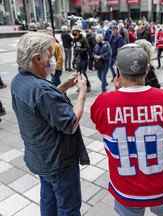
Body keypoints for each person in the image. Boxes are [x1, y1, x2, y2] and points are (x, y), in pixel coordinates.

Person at [91, 44, 163, 216]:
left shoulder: (102, 103)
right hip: (162, 186)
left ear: (118, 71)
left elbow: (103, 127)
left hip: (125, 187)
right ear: (148, 69)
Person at [11, 32, 90, 216]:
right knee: (68, 207)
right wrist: (82, 94)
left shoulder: (19, 81)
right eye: (49, 53)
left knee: (48, 199)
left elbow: (43, 106)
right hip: (58, 160)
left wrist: (64, 86)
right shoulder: (41, 90)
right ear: (37, 58)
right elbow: (70, 123)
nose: (52, 58)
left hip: (40, 158)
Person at [72, 25, 91, 91]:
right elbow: (74, 49)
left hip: (84, 58)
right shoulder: (74, 39)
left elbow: (87, 48)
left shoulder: (83, 39)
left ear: (79, 32)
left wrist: (80, 49)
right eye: (74, 31)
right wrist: (74, 59)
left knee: (83, 73)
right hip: (77, 58)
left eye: (76, 31)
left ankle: (88, 85)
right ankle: (80, 86)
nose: (74, 33)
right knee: (78, 73)